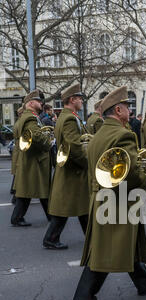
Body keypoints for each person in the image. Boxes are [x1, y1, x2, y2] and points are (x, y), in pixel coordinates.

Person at [73, 86, 146, 300]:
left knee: (125, 241)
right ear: (119, 109)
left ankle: (144, 280)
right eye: (127, 107)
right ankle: (83, 298)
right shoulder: (123, 135)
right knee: (107, 250)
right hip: (118, 201)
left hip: (101, 198)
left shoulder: (98, 136)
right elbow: (133, 171)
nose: (130, 112)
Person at [43, 83, 89, 249]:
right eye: (79, 98)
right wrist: (88, 163)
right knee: (77, 206)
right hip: (73, 170)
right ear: (72, 100)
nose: (81, 101)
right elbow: (74, 146)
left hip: (70, 169)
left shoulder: (66, 116)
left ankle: (52, 238)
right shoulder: (70, 118)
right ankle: (51, 238)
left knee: (77, 207)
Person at [11, 90, 52, 227]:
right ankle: (53, 218)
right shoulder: (31, 118)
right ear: (31, 103)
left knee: (28, 190)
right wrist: (49, 142)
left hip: (32, 159)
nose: (41, 103)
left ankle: (17, 218)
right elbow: (36, 136)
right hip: (35, 159)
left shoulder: (29, 116)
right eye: (39, 101)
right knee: (40, 190)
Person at [10, 106, 24, 204]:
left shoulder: (18, 123)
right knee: (20, 174)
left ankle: (14, 191)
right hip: (20, 150)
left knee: (18, 174)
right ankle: (15, 197)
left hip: (17, 149)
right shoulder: (20, 124)